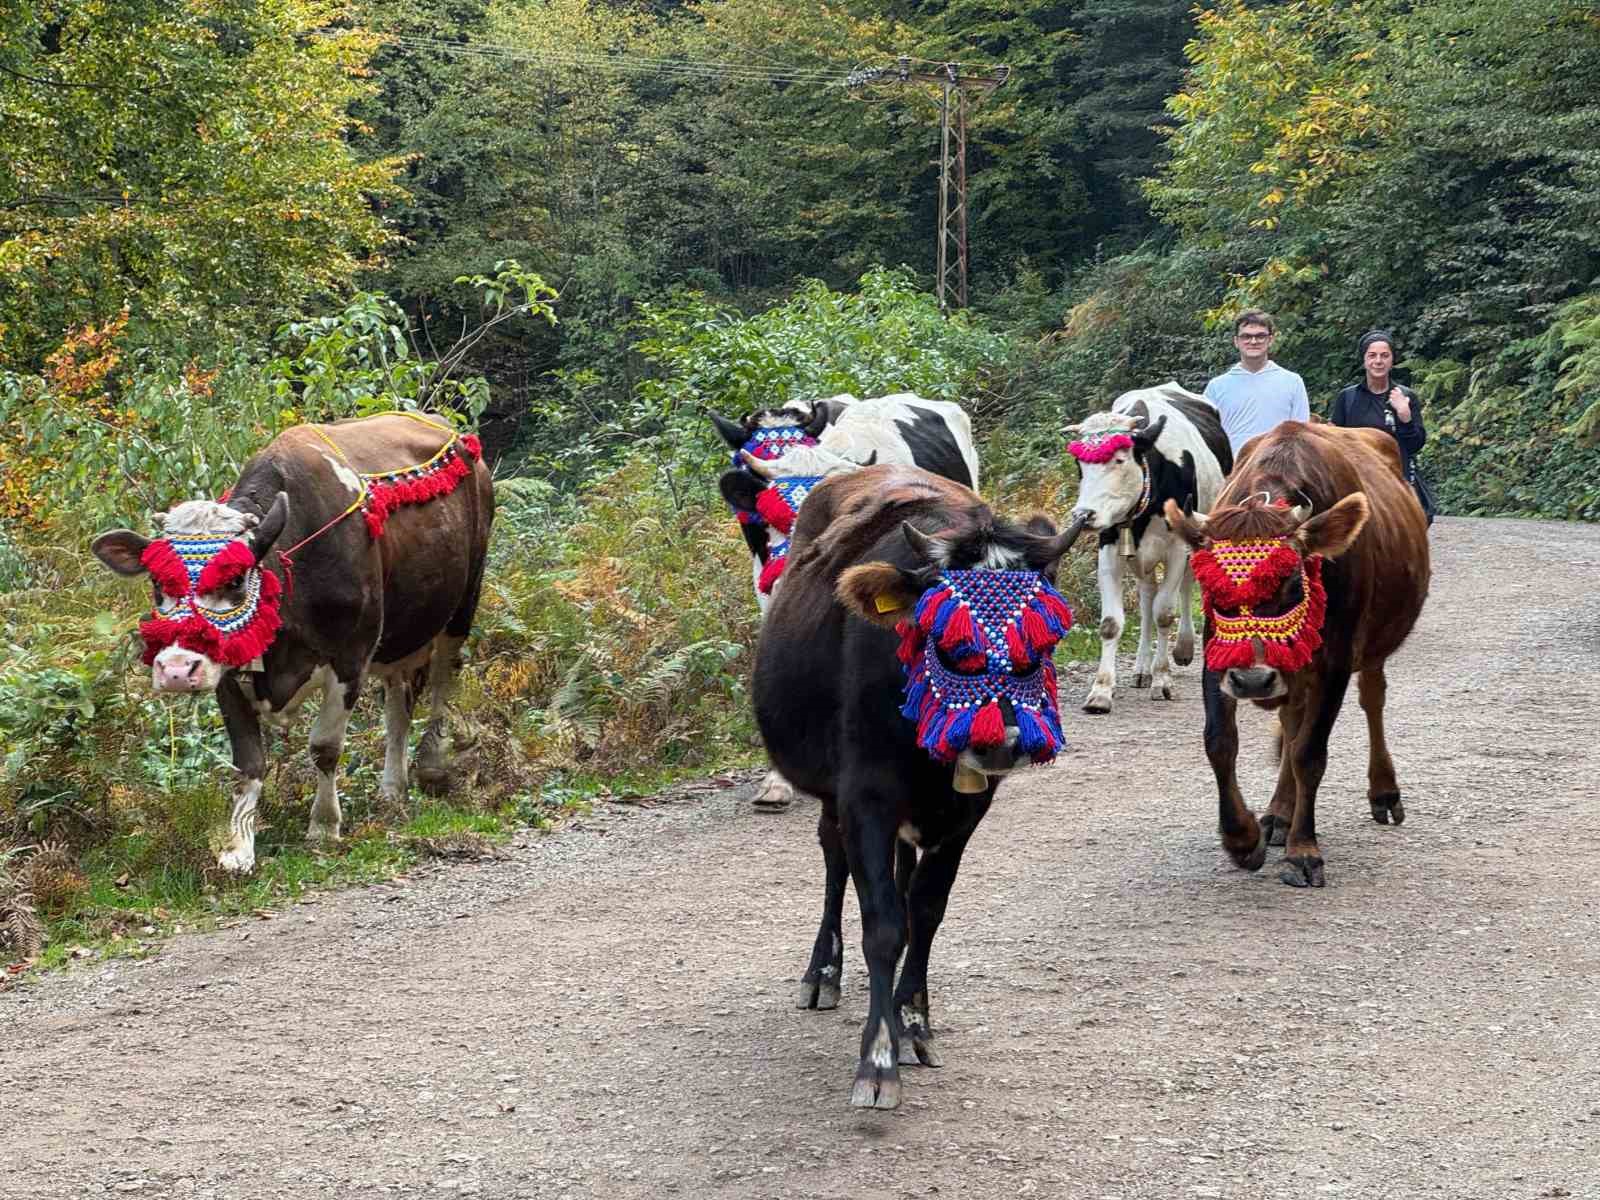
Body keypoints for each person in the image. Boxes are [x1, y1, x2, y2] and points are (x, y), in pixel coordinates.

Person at [1332, 329, 1435, 526]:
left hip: (1396, 483)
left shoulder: (1405, 396)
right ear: (1364, 360)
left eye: (1384, 355)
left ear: (1392, 360)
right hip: (1358, 484)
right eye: (1372, 355)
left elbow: (1415, 446)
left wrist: (1405, 416)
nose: (1378, 361)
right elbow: (1336, 444)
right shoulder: (1347, 398)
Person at [1203, 310, 1311, 457]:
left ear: (1270, 340)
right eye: (1246, 336)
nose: (1253, 341)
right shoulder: (1216, 387)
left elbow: (1302, 436)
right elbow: (1207, 438)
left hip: (1278, 473)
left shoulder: (1292, 382)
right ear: (1236, 341)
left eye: (1260, 336)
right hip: (1231, 473)